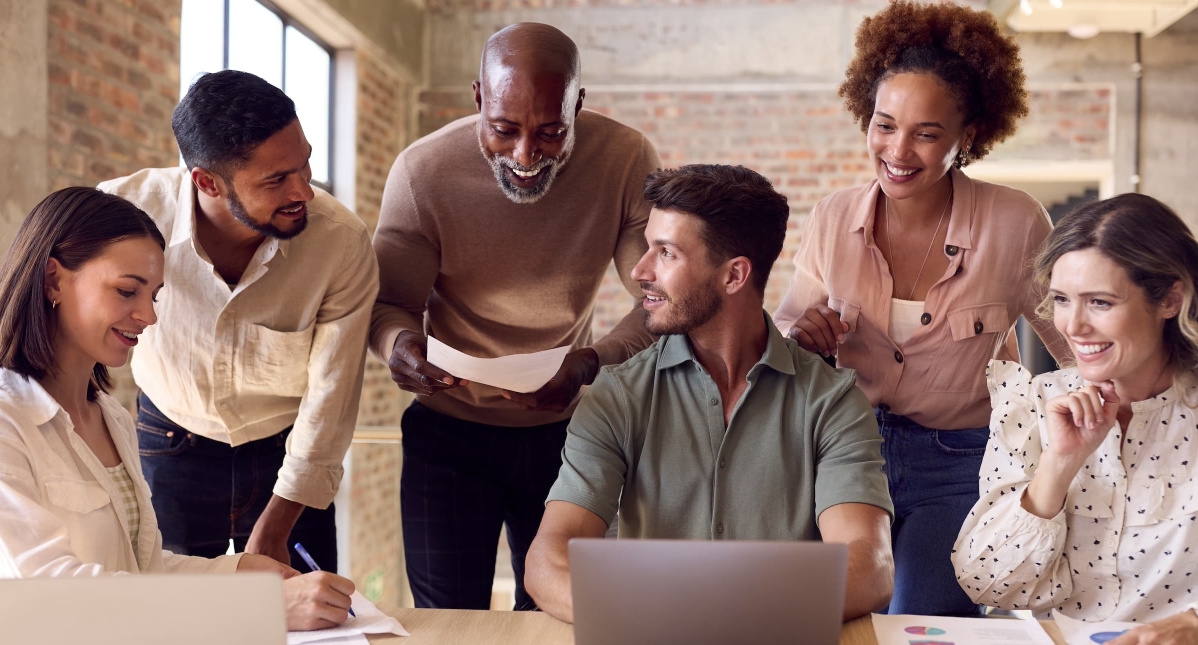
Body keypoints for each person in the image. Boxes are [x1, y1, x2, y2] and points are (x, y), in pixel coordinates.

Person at [771, 0, 1072, 616]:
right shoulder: (832, 217)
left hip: (963, 462)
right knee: (832, 618)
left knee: (923, 623)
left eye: (927, 133)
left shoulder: (1016, 222)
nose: (898, 151)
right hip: (847, 453)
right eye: (884, 124)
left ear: (970, 136)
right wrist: (801, 335)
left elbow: (1076, 341)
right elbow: (784, 331)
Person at [0, 188, 355, 631]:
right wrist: (258, 608)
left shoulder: (110, 417)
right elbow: (53, 597)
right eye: (127, 290)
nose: (149, 317)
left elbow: (137, 572)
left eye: (154, 296)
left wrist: (241, 573)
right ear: (54, 280)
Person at [369, 23, 659, 610]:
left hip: (570, 433)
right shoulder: (422, 172)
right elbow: (390, 304)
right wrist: (399, 347)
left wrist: (590, 363)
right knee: (450, 624)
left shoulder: (626, 160)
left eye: (551, 132)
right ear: (478, 98)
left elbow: (658, 298)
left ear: (578, 105)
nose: (526, 156)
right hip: (446, 436)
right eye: (503, 130)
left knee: (564, 616)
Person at [525, 164, 895, 624]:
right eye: (648, 248)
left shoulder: (832, 403)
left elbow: (869, 567)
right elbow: (547, 563)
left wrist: (726, 614)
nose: (641, 271)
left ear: (734, 275)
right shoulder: (617, 396)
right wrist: (653, 616)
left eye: (666, 253)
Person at [96, 70, 379, 573]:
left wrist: (278, 523)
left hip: (286, 454)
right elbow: (66, 320)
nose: (304, 192)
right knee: (174, 621)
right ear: (205, 181)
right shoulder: (125, 211)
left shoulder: (340, 242)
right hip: (168, 440)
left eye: (305, 165)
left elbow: (332, 394)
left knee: (306, 620)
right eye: (276, 180)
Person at [953, 194, 1198, 645]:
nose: (1073, 326)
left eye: (1099, 302)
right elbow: (987, 583)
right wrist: (1059, 464)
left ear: (1171, 298)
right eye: (1061, 299)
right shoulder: (1037, 403)